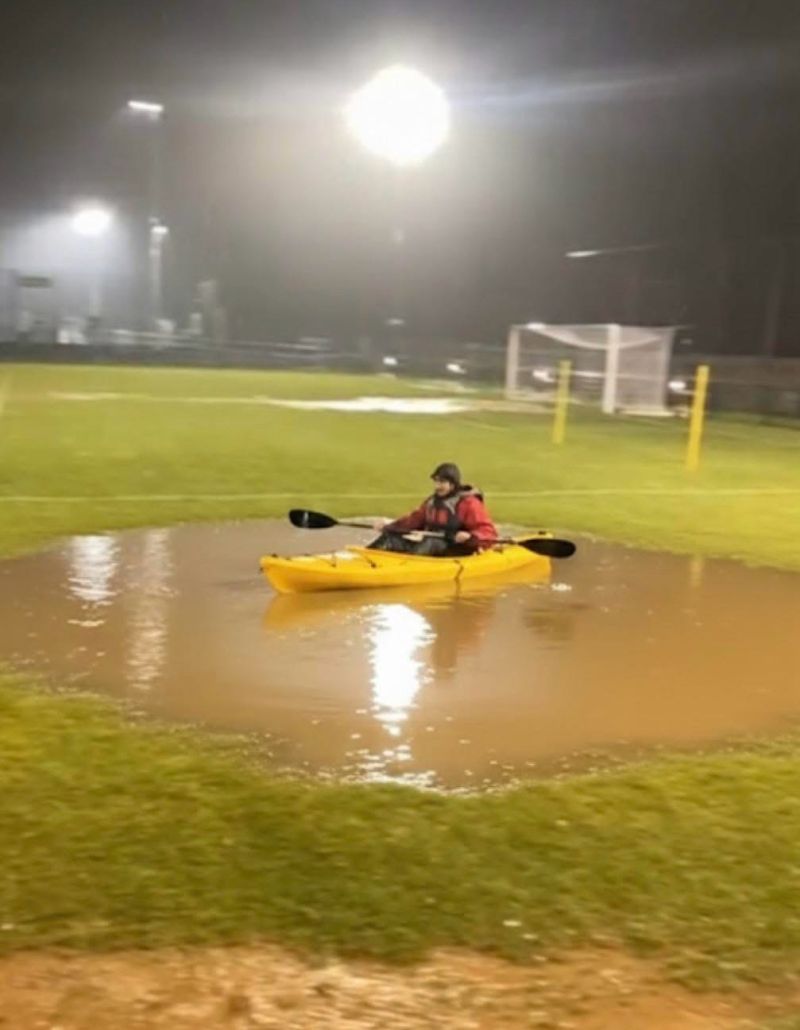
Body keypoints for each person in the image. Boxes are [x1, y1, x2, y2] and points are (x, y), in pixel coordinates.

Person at [371, 463, 498, 556]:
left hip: (457, 549)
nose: (437, 486)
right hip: (430, 547)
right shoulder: (432, 503)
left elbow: (489, 532)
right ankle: (365, 558)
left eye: (442, 482)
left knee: (432, 542)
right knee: (390, 538)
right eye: (436, 482)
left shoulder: (469, 503)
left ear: (452, 484)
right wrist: (389, 527)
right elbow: (412, 521)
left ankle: (407, 568)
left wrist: (471, 536)